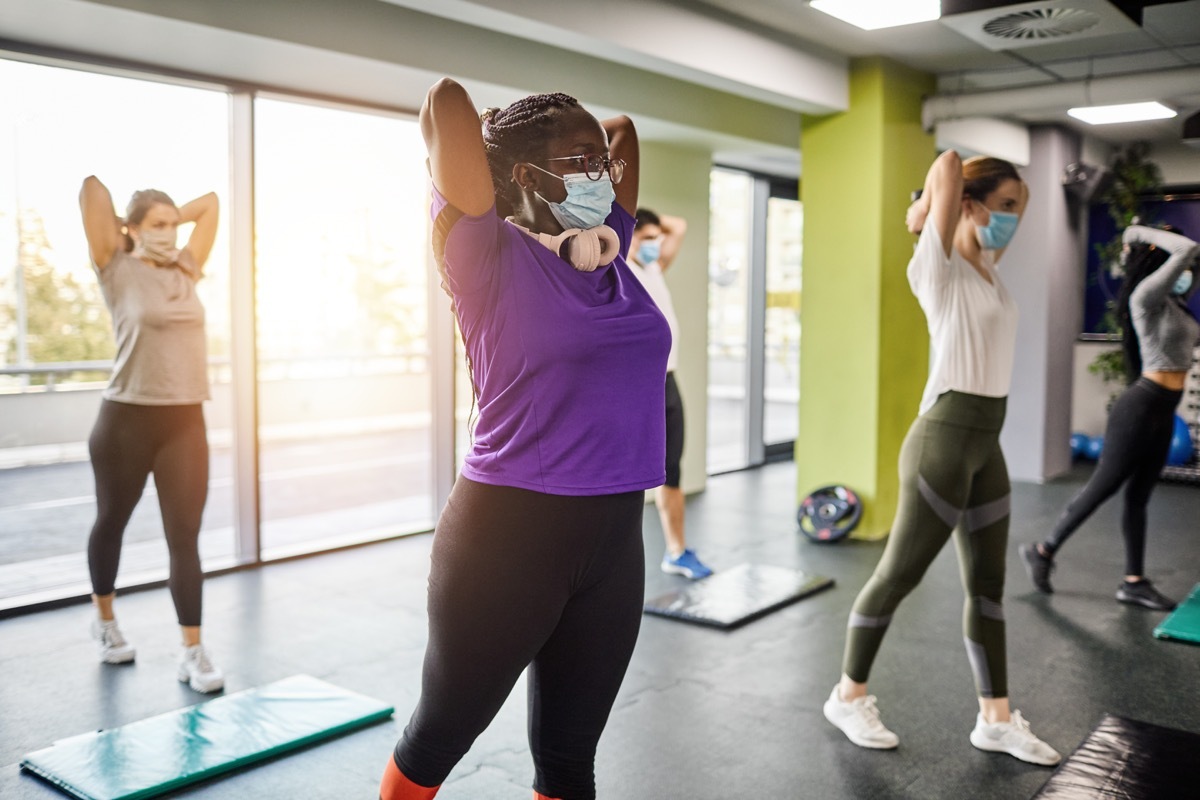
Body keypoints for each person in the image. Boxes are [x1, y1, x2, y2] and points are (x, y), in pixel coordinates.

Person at [379, 78, 668, 800]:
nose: (602, 175)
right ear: (521, 176)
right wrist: (495, 141)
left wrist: (583, 146)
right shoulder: (484, 257)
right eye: (581, 163)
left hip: (615, 541)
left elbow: (624, 128)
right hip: (504, 538)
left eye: (601, 165)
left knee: (571, 758)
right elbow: (444, 101)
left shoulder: (605, 251)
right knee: (439, 738)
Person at [822, 150, 1061, 766]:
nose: (1014, 221)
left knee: (988, 587)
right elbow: (950, 162)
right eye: (1007, 207)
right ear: (971, 206)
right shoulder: (939, 265)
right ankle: (848, 696)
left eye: (1020, 211)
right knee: (898, 576)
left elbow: (969, 203)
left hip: (987, 444)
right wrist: (929, 206)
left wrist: (969, 213)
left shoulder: (985, 269)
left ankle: (997, 719)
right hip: (943, 441)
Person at [78, 176, 223, 693]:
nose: (168, 233)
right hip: (125, 420)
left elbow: (210, 205)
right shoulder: (116, 268)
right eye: (155, 226)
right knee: (111, 522)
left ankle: (193, 651)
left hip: (185, 419)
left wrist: (172, 220)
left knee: (184, 538)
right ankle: (105, 621)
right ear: (132, 230)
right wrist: (127, 230)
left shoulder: (187, 268)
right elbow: (92, 189)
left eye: (172, 226)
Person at [1020, 224, 1199, 611]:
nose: (1187, 272)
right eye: (1177, 266)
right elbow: (1186, 248)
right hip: (1139, 409)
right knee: (1101, 488)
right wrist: (1136, 233)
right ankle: (1042, 550)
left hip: (1164, 410)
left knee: (1138, 498)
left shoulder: (1176, 306)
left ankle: (1133, 582)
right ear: (1157, 261)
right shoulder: (1146, 296)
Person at [627, 208, 712, 580]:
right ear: (627, 237)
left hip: (668, 380)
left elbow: (679, 224)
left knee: (671, 470)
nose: (654, 245)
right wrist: (627, 222)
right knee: (630, 476)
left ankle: (676, 552)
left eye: (654, 239)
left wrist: (649, 226)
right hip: (638, 384)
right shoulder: (621, 271)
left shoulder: (654, 268)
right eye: (645, 239)